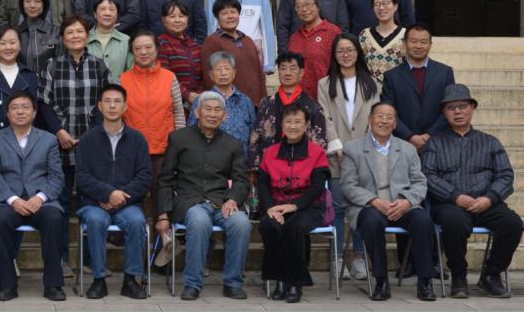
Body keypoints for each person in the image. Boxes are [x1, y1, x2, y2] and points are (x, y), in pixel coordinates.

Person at [423, 84, 523, 299]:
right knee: (454, 222)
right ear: (444, 112)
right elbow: (428, 176)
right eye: (451, 108)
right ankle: (458, 275)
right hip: (449, 204)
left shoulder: (490, 142)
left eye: (462, 106)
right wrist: (455, 196)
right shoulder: (435, 143)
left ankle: (491, 274)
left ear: (472, 108)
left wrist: (489, 198)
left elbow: (505, 175)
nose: (457, 112)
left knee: (512, 224)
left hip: (486, 203)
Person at [156, 91, 251, 300]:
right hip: (190, 202)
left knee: (241, 223)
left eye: (218, 110)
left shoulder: (233, 144)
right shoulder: (179, 138)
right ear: (197, 112)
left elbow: (241, 180)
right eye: (208, 109)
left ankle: (233, 283)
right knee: (199, 221)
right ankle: (192, 284)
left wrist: (233, 199)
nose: (212, 114)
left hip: (221, 201)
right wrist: (163, 214)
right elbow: (165, 179)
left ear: (224, 115)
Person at [341, 102, 437, 302]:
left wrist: (407, 202)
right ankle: (381, 280)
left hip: (402, 205)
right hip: (370, 206)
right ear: (370, 120)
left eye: (389, 117)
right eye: (379, 116)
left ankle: (425, 281)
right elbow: (348, 186)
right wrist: (375, 201)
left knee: (423, 221)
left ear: (395, 123)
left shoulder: (408, 149)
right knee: (372, 221)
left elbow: (420, 182)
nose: (384, 121)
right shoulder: (353, 149)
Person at [40, 14, 110, 275]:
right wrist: (58, 132)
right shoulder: (52, 65)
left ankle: (90, 260)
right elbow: (44, 103)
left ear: (87, 36)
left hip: (92, 147)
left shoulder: (99, 65)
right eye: (69, 32)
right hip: (60, 147)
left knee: (90, 204)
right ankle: (60, 259)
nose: (75, 36)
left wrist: (92, 135)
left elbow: (107, 103)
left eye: (79, 31)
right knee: (59, 205)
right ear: (63, 38)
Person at [0, 92, 67, 302]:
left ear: (34, 112)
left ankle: (53, 284)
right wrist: (13, 200)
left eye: (25, 107)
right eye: (15, 107)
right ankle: (7, 284)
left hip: (42, 201)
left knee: (54, 219)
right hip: (8, 201)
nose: (20, 111)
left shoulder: (48, 139)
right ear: (8, 113)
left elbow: (56, 176)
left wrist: (40, 197)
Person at [75, 84, 151, 300]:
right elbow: (82, 176)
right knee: (95, 221)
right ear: (100, 106)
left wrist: (120, 197)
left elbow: (145, 175)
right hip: (94, 203)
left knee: (136, 222)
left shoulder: (137, 139)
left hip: (128, 203)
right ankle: (99, 280)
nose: (112, 106)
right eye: (107, 101)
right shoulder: (88, 139)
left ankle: (130, 280)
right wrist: (108, 194)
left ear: (125, 106)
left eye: (117, 101)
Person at [317, 32, 380, 280]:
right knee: (338, 209)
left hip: (365, 156)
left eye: (350, 50)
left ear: (358, 53)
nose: (346, 55)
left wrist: (362, 149)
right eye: (341, 51)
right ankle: (337, 259)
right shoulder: (325, 84)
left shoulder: (372, 83)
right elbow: (324, 117)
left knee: (361, 207)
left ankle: (360, 258)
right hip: (336, 156)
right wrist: (337, 146)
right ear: (334, 55)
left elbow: (376, 117)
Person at [258, 103, 331, 303]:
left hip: (309, 207)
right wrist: (270, 208)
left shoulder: (317, 152)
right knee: (268, 225)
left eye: (298, 121)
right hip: (276, 205)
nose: (293, 126)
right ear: (281, 125)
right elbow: (262, 185)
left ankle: (294, 282)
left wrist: (295, 205)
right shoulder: (270, 152)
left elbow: (317, 187)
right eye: (288, 121)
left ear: (307, 125)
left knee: (294, 227)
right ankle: (280, 279)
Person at [121, 30, 186, 212]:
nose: (143, 52)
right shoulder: (123, 80)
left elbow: (178, 112)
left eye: (148, 47)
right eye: (138, 48)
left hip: (164, 149)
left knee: (163, 198)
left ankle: (162, 229)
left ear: (157, 50)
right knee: (133, 199)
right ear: (132, 52)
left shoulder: (169, 77)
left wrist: (180, 144)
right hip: (133, 150)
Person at [0, 26, 39, 179]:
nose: (8, 47)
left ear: (20, 45)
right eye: (2, 43)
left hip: (24, 143)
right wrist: (2, 138)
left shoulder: (29, 75)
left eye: (12, 42)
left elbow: (33, 109)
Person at [380, 23, 455, 153]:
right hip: (402, 144)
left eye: (423, 42)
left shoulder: (445, 72)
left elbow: (450, 107)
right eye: (413, 41)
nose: (418, 46)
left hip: (439, 143)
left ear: (430, 44)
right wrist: (410, 136)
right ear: (405, 44)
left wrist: (429, 135)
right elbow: (388, 111)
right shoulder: (392, 76)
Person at [250, 52, 327, 171]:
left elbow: (320, 144)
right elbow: (255, 137)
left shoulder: (313, 106)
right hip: (269, 169)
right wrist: (254, 169)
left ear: (301, 73)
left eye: (292, 68)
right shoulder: (266, 104)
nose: (287, 73)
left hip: (303, 171)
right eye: (283, 68)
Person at [201, 0, 267, 107]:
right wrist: (218, 105)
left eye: (233, 12)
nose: (230, 16)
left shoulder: (248, 40)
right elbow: (209, 78)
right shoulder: (212, 42)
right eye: (224, 13)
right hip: (229, 105)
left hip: (255, 104)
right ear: (217, 17)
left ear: (239, 14)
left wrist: (264, 100)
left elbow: (259, 74)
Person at [188, 52, 255, 146]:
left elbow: (253, 133)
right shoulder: (201, 101)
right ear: (211, 75)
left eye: (227, 68)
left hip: (241, 154)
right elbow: (191, 132)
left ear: (234, 73)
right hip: (210, 154)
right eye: (218, 69)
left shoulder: (245, 101)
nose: (223, 73)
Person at [287, 0, 343, 102]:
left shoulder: (333, 32)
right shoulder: (294, 38)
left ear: (317, 5)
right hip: (298, 101)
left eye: (307, 4)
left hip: (327, 98)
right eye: (298, 6)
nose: (304, 9)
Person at [157, 0, 204, 110]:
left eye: (182, 16)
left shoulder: (195, 45)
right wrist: (187, 95)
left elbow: (202, 75)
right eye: (172, 16)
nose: (177, 20)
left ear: (187, 19)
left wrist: (199, 95)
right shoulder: (160, 43)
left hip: (197, 104)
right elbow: (164, 76)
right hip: (174, 105)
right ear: (164, 20)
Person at [358, 0, 406, 82]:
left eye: (385, 3)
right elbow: (360, 66)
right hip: (371, 89)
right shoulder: (364, 35)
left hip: (397, 88)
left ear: (395, 6)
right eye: (377, 4)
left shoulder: (406, 35)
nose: (381, 7)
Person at [16, 0, 63, 75]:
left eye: (37, 1)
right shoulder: (15, 33)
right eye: (28, 1)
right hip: (21, 82)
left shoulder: (56, 32)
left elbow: (61, 64)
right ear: (22, 5)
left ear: (44, 4)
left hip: (50, 82)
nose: (32, 5)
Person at [87, 0, 133, 83]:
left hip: (118, 90)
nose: (107, 13)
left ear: (117, 15)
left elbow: (131, 73)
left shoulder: (126, 41)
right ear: (95, 14)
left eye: (111, 9)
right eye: (102, 9)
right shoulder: (84, 40)